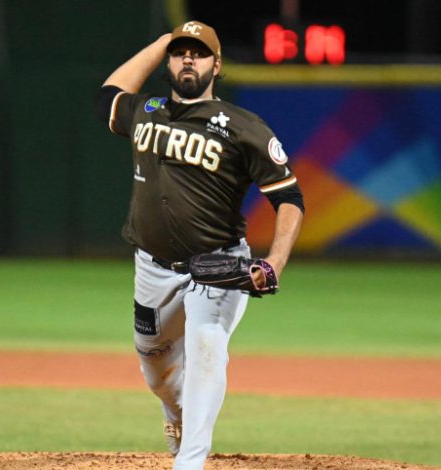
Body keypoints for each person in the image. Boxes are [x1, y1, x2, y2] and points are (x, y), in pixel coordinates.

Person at [95, 20, 304, 469]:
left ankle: (189, 462)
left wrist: (275, 262)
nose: (188, 58)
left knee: (208, 346)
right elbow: (107, 96)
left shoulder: (244, 127)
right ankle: (175, 415)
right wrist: (160, 42)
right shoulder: (146, 110)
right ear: (168, 61)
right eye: (180, 52)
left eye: (199, 52)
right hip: (152, 269)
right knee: (155, 370)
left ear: (217, 65)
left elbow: (289, 197)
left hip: (218, 265)